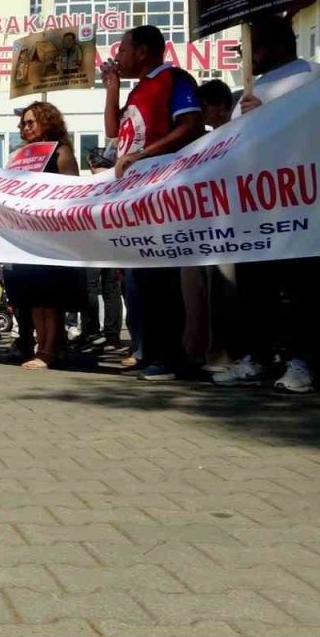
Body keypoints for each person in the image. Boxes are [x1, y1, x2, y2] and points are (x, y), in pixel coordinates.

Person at [215, 14, 320, 393]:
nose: (246, 55)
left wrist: (267, 117)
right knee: (254, 290)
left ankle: (304, 362)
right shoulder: (252, 87)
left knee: (301, 290)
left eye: (251, 45)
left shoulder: (313, 77)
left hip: (299, 210)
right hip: (254, 211)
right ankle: (256, 358)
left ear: (276, 43)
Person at [101, 25, 204, 381]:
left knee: (162, 279)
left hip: (164, 189)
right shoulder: (137, 90)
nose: (119, 56)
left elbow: (191, 125)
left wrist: (145, 154)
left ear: (143, 51)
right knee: (140, 281)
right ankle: (149, 350)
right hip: (137, 197)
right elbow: (115, 133)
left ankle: (170, 356)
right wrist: (113, 89)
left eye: (124, 50)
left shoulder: (173, 79)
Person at [6, 102, 85, 370]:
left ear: (47, 122)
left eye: (31, 122)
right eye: (23, 123)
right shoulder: (19, 155)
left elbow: (73, 193)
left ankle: (49, 351)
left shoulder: (61, 153)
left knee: (50, 298)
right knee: (34, 297)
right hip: (26, 236)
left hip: (52, 237)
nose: (25, 127)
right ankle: (45, 347)